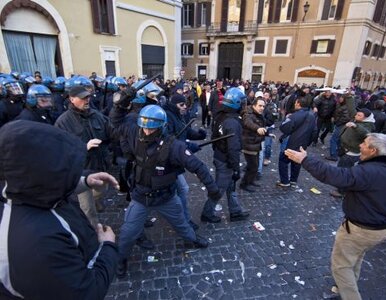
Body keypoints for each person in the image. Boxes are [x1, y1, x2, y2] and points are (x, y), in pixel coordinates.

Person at [0, 120, 119, 300]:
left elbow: (50, 191)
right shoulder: (38, 243)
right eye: (63, 168)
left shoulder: (25, 192)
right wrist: (107, 247)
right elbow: (87, 293)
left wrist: (84, 181)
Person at [116, 105, 221, 278]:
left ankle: (192, 239)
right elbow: (116, 121)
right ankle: (121, 260)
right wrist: (124, 99)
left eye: (152, 128)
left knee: (181, 223)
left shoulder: (174, 147)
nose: (147, 132)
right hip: (141, 196)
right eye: (144, 127)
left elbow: (198, 167)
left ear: (161, 127)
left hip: (166, 197)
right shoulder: (136, 134)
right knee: (128, 232)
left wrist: (213, 189)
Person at [285, 133, 386, 300]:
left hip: (359, 229)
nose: (360, 145)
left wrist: (305, 160)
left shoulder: (368, 171)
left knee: (341, 266)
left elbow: (335, 175)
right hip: (378, 230)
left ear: (373, 150)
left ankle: (349, 294)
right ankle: (344, 286)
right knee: (356, 257)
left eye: (364, 143)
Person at [55, 85, 113, 227]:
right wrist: (84, 147)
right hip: (81, 171)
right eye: (83, 98)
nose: (87, 100)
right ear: (72, 99)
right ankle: (94, 235)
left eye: (88, 97)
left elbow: (111, 132)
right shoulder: (63, 121)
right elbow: (60, 150)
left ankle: (91, 202)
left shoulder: (96, 115)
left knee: (102, 190)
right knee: (88, 210)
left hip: (100, 166)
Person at [200, 88, 250, 223]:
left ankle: (235, 211)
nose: (244, 105)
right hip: (226, 161)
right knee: (220, 189)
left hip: (220, 156)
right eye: (242, 103)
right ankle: (207, 213)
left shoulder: (221, 115)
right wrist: (235, 168)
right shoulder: (233, 122)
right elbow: (233, 148)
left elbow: (215, 137)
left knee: (230, 186)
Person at [277, 96, 317, 187]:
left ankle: (284, 181)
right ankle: (293, 180)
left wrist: (286, 119)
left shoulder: (294, 116)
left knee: (283, 161)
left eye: (295, 103)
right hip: (302, 145)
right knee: (297, 162)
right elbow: (315, 132)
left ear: (298, 104)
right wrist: (307, 143)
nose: (294, 104)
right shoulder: (312, 116)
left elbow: (284, 128)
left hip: (291, 143)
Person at [239, 96, 266, 192]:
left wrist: (267, 133)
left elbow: (261, 126)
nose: (262, 108)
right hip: (249, 144)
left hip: (256, 144)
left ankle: (250, 181)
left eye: (263, 106)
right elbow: (248, 123)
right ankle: (244, 184)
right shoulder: (248, 114)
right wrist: (257, 129)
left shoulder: (258, 114)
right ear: (254, 105)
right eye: (260, 106)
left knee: (256, 165)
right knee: (253, 166)